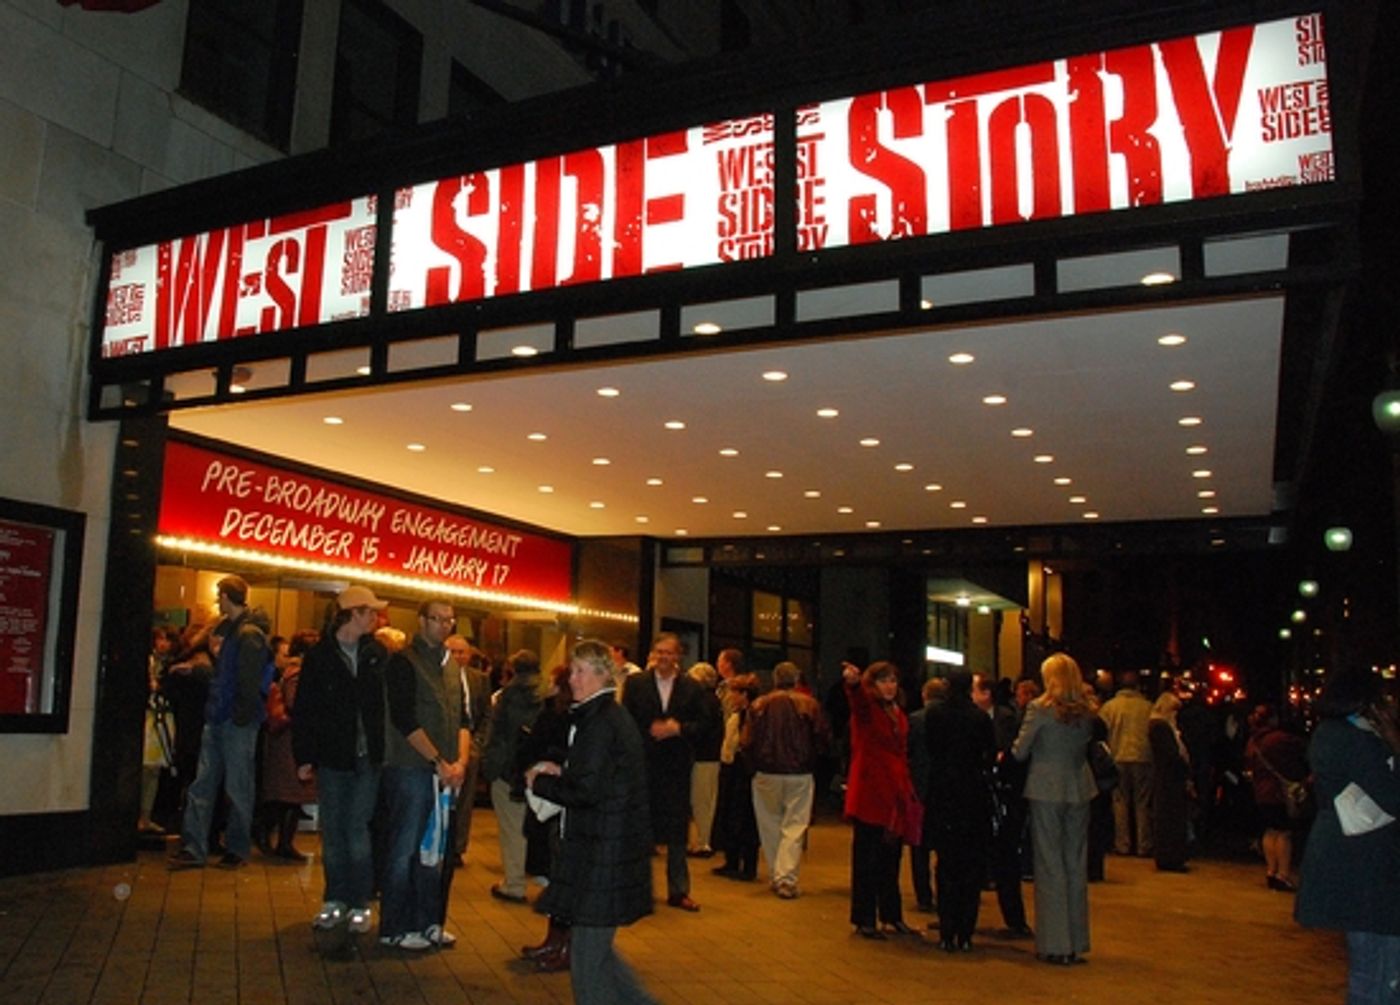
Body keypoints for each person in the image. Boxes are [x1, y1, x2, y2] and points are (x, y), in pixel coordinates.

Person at [525, 640, 657, 1005]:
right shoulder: (604, 716)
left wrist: (541, 783)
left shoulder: (599, 722)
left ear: (602, 675)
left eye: (581, 671)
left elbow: (587, 791)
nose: (573, 678)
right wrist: (563, 770)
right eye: (572, 670)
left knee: (587, 962)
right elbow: (599, 776)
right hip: (607, 848)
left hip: (602, 851)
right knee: (598, 954)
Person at [1295, 666, 1400, 1004]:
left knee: (1369, 966)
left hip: (1352, 858)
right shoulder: (1357, 739)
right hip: (1368, 864)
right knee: (1380, 971)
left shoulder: (1331, 733)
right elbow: (1391, 794)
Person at [292, 585, 389, 937]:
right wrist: (305, 755)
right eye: (370, 612)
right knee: (334, 829)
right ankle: (335, 898)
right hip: (334, 755)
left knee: (357, 826)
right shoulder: (321, 656)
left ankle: (359, 901)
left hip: (368, 756)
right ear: (353, 614)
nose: (376, 618)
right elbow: (306, 708)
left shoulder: (377, 654)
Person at [379, 598, 467, 951]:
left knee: (436, 852)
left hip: (444, 774)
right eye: (437, 619)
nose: (444, 625)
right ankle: (395, 926)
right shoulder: (403, 662)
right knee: (405, 849)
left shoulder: (451, 666)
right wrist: (438, 761)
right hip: (411, 769)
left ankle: (428, 920)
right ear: (421, 621)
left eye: (449, 620)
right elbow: (403, 719)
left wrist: (460, 762)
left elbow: (464, 719)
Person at [168, 575, 270, 871]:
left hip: (227, 718)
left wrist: (235, 714)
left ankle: (199, 847)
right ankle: (231, 849)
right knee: (233, 786)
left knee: (212, 784)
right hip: (230, 718)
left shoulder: (243, 634)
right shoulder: (247, 632)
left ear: (225, 596)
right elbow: (243, 681)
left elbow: (240, 682)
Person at [1012, 653, 1097, 966]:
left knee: (1049, 864)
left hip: (1046, 788)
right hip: (1080, 786)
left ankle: (1054, 942)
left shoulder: (1040, 709)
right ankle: (1075, 941)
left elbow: (1020, 752)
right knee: (1075, 863)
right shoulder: (1087, 710)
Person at [622, 632, 707, 911]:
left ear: (678, 656)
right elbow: (626, 723)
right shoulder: (636, 684)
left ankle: (679, 891)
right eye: (659, 652)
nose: (663, 658)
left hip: (676, 769)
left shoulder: (692, 688)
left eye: (668, 652)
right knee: (640, 828)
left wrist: (678, 729)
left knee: (677, 831)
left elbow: (706, 726)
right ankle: (637, 889)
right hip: (644, 766)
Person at [842, 660, 920, 940]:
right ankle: (865, 919)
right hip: (871, 793)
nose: (889, 686)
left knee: (891, 859)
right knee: (868, 859)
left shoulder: (897, 712)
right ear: (872, 685)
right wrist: (853, 684)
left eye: (893, 681)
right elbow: (858, 702)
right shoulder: (869, 710)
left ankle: (891, 914)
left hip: (893, 795)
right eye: (883, 680)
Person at [743, 660, 830, 899]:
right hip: (799, 772)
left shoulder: (759, 705)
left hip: (765, 772)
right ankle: (786, 877)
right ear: (796, 679)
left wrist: (753, 767)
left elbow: (746, 741)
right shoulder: (809, 704)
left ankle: (777, 874)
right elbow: (823, 738)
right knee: (794, 826)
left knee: (769, 824)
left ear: (775, 679)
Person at [924, 670, 996, 951]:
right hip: (972, 795)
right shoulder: (979, 718)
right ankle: (965, 931)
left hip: (943, 793)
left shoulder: (935, 715)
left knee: (946, 865)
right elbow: (989, 754)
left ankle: (946, 929)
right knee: (970, 867)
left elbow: (931, 749)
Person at [481, 648, 544, 903]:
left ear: (512, 669)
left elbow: (498, 736)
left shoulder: (508, 695)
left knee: (512, 829)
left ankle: (514, 884)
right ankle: (545, 880)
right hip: (540, 771)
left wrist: (490, 765)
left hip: (508, 771)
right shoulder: (548, 694)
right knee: (541, 829)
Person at [974, 671, 1032, 936]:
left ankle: (1015, 921)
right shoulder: (976, 718)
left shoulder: (1006, 718)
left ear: (986, 694)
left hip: (1004, 796)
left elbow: (1010, 753)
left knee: (1005, 858)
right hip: (986, 794)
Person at [1245, 703, 1310, 892]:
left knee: (1270, 831)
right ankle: (1283, 874)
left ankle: (1271, 871)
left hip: (1260, 791)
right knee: (1284, 832)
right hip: (1278, 792)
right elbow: (1301, 752)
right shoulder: (1280, 739)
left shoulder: (1253, 741)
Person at [444, 635, 492, 867]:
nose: (457, 656)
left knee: (465, 802)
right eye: (453, 652)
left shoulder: (479, 679)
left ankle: (457, 847)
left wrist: (478, 743)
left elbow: (486, 714)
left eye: (461, 652)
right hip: (444, 744)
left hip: (471, 744)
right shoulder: (438, 676)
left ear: (469, 654)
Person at [259, 653, 313, 861]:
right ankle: (282, 842)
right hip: (290, 741)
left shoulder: (289, 674)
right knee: (291, 796)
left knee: (284, 797)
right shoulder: (298, 676)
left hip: (284, 740)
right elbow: (295, 704)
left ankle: (276, 839)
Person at [1099, 669, 1154, 857]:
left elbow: (1101, 731)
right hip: (1143, 756)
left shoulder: (1109, 707)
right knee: (1142, 802)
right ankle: (1144, 844)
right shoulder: (1148, 707)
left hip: (1118, 755)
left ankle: (1122, 844)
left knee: (1119, 801)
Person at [712, 674, 761, 881]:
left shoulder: (748, 716)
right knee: (736, 817)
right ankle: (734, 862)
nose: (730, 696)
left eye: (734, 692)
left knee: (741, 818)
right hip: (736, 770)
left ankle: (744, 865)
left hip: (740, 772)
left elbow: (738, 745)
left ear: (744, 694)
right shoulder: (741, 715)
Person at [906, 677, 945, 914]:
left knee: (919, 845)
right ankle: (945, 892)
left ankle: (923, 895)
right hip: (944, 788)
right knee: (943, 844)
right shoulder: (951, 719)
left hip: (920, 786)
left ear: (924, 695)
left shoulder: (915, 720)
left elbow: (907, 751)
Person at [1148, 691, 1191, 872]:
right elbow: (1172, 756)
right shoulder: (1161, 727)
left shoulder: (1160, 726)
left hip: (1168, 779)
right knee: (1170, 819)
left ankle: (1171, 856)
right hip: (1169, 780)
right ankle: (1170, 857)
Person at [686, 661, 725, 858]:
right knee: (705, 800)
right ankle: (704, 840)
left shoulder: (704, 701)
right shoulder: (713, 700)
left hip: (704, 756)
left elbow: (702, 729)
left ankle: (704, 842)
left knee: (702, 801)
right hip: (710, 756)